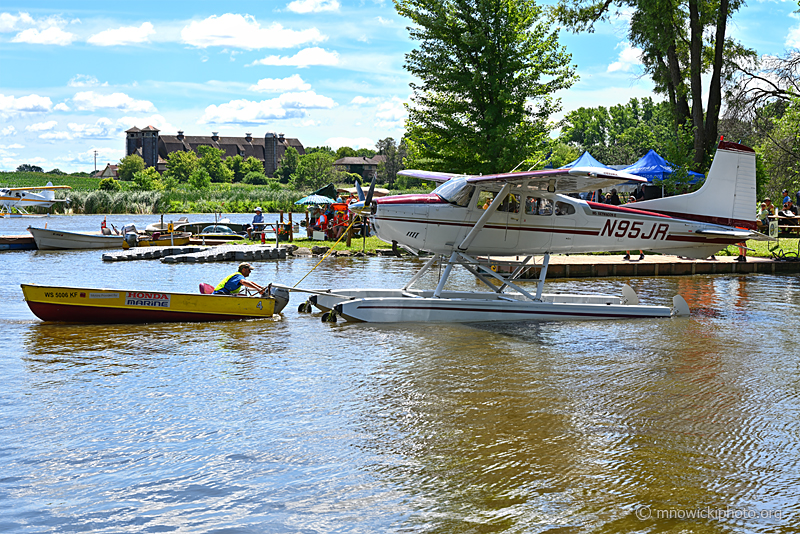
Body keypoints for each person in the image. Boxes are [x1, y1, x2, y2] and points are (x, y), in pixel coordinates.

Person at [624, 196, 644, 260]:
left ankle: (641, 253)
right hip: (629, 224)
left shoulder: (637, 207)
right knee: (626, 240)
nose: (630, 201)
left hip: (636, 225)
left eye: (632, 200)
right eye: (629, 200)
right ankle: (628, 254)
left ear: (635, 201)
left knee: (638, 240)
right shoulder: (627, 206)